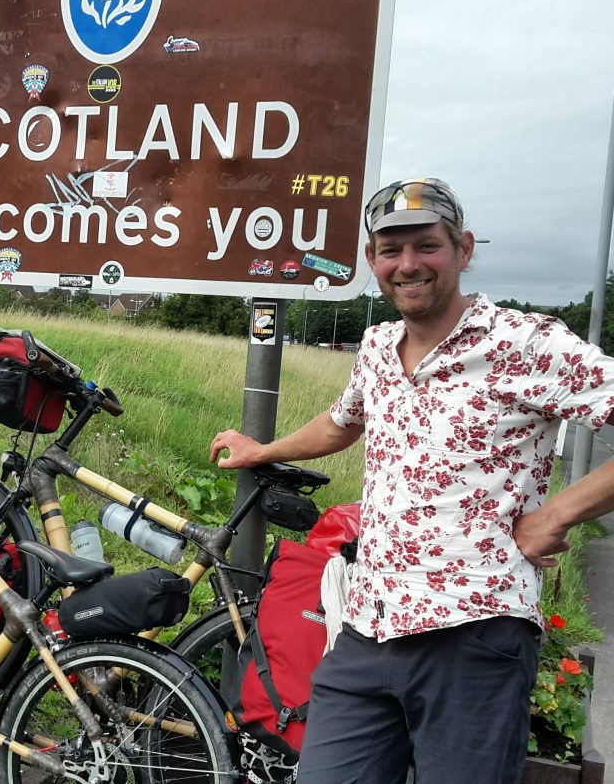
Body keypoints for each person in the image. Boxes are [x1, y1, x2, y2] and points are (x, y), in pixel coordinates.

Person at [210, 178, 614, 784]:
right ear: (372, 260)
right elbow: (341, 423)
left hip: (474, 630)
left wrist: (555, 516)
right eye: (390, 250)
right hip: (367, 624)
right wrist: (259, 449)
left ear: (463, 249)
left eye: (426, 246)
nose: (407, 265)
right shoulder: (376, 345)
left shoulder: (524, 342)